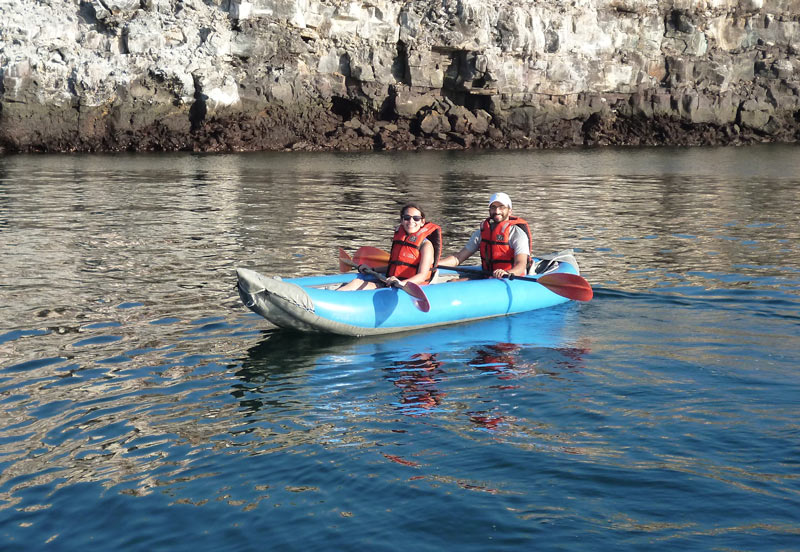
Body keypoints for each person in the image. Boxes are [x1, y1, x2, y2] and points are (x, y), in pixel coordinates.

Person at [338, 203, 442, 291]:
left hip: (410, 288)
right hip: (393, 283)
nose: (411, 221)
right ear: (402, 220)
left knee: (356, 284)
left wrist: (400, 283)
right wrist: (372, 269)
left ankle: (330, 298)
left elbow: (422, 276)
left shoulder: (426, 245)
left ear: (422, 222)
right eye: (407, 218)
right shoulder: (400, 239)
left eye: (416, 218)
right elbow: (396, 266)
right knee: (354, 283)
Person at [439, 192, 532, 278]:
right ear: (489, 210)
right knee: (453, 281)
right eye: (493, 207)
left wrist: (508, 273)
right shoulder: (480, 233)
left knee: (455, 283)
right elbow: (458, 258)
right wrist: (434, 265)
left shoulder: (517, 234)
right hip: (488, 276)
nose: (497, 211)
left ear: (510, 211)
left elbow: (521, 263)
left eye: (501, 207)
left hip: (509, 278)